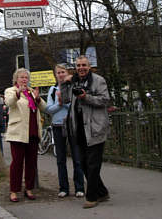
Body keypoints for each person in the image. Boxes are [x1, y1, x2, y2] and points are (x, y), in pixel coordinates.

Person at [60, 55, 110, 209]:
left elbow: (105, 99)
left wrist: (85, 97)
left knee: (93, 164)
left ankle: (92, 196)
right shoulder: (74, 80)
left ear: (89, 66)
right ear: (75, 67)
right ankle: (102, 192)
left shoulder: (98, 80)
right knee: (83, 163)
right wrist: (63, 83)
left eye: (84, 65)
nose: (81, 68)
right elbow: (66, 99)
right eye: (78, 65)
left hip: (95, 128)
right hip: (79, 129)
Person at [4, 68, 46, 202]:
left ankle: (29, 188)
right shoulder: (10, 90)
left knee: (31, 163)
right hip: (18, 133)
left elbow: (44, 107)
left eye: (26, 78)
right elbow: (9, 102)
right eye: (21, 77)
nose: (24, 80)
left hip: (33, 132)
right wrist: (18, 92)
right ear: (16, 79)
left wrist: (38, 97)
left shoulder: (32, 92)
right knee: (17, 163)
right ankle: (14, 190)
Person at [46, 63, 85, 198]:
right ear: (55, 75)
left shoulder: (73, 86)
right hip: (57, 125)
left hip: (72, 125)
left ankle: (79, 187)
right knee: (60, 159)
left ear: (67, 73)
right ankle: (63, 188)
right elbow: (49, 109)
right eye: (58, 73)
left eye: (63, 72)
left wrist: (66, 102)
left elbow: (76, 106)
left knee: (77, 158)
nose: (61, 75)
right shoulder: (52, 90)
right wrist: (60, 104)